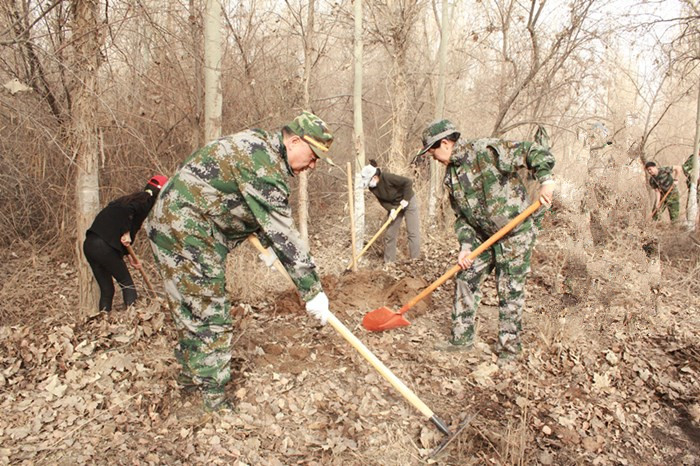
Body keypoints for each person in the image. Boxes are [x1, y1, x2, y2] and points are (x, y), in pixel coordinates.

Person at [147, 111, 334, 411]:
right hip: (189, 230)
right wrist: (313, 291)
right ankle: (212, 401)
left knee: (189, 308)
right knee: (211, 313)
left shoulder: (257, 144)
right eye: (312, 156)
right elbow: (283, 230)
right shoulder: (264, 165)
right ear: (295, 140)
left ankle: (190, 380)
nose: (311, 166)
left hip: (168, 223)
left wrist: (268, 248)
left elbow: (240, 203)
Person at [416, 119, 555, 361]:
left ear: (446, 143)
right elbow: (462, 218)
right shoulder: (451, 178)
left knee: (509, 289)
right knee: (465, 277)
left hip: (515, 233)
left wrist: (546, 181)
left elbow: (533, 152)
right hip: (483, 237)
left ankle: (509, 350)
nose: (432, 157)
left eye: (432, 151)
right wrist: (466, 246)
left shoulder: (486, 150)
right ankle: (461, 339)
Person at [83, 175, 168, 312]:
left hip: (90, 246)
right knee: (127, 284)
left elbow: (122, 230)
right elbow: (128, 214)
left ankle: (103, 321)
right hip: (104, 247)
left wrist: (130, 257)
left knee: (107, 290)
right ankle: (133, 321)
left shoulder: (129, 199)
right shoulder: (145, 202)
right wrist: (126, 231)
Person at [359, 159, 421, 264]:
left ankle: (416, 261)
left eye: (369, 181)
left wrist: (405, 199)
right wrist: (391, 209)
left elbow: (408, 182)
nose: (369, 185)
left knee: (412, 232)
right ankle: (389, 263)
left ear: (375, 177)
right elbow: (382, 201)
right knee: (390, 234)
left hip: (408, 200)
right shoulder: (372, 188)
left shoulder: (387, 177)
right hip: (395, 206)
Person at [681, 152, 700, 227]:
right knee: (692, 203)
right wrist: (693, 175)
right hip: (694, 185)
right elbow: (685, 168)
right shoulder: (694, 158)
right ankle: (691, 224)